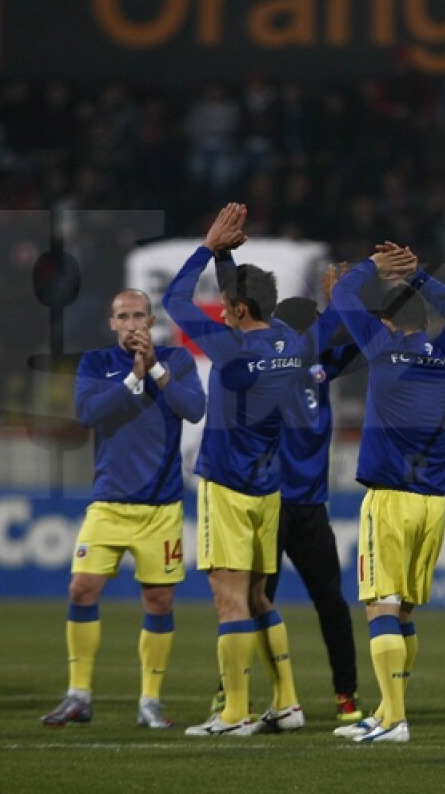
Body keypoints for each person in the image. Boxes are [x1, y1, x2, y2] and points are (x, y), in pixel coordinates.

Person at [164, 203, 340, 737]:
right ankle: (287, 704)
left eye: (225, 306)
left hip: (228, 486)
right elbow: (266, 320)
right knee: (261, 597)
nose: (218, 312)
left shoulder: (231, 347)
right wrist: (225, 261)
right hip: (270, 489)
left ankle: (235, 712)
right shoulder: (289, 341)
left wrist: (205, 247)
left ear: (237, 310)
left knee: (230, 598)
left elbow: (173, 299)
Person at [41, 289, 205, 729]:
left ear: (151, 321)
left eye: (138, 315)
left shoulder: (177, 360)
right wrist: (132, 380)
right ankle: (78, 695)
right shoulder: (96, 363)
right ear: (112, 323)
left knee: (159, 600)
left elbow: (194, 409)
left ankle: (149, 701)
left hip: (161, 506)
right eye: (123, 316)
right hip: (109, 504)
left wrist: (154, 369)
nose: (132, 323)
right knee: (82, 588)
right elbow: (88, 413)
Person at [329, 241, 445, 744]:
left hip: (390, 500)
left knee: (379, 606)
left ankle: (393, 720)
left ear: (387, 321)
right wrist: (420, 274)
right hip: (433, 501)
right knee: (404, 609)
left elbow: (344, 290)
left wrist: (374, 267)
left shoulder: (381, 347)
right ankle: (391, 712)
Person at [208, 276, 365, 724]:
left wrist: (346, 303)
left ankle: (342, 695)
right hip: (274, 503)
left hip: (306, 507)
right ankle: (233, 695)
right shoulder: (280, 370)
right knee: (259, 601)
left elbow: (358, 341)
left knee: (316, 601)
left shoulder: (317, 371)